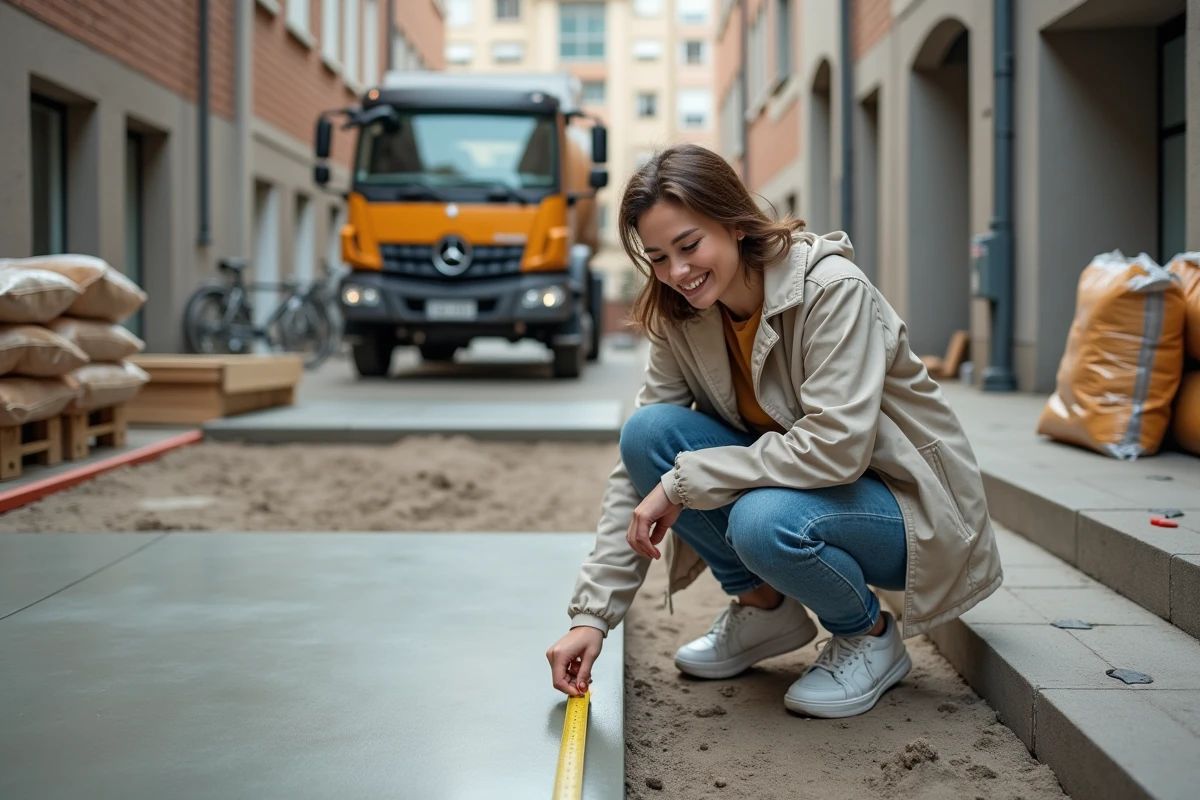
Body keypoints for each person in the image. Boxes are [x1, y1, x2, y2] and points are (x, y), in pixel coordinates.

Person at [545, 143, 1003, 719]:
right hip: (809, 494)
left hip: (905, 510)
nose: (677, 273)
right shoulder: (679, 314)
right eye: (658, 257)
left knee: (760, 520)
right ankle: (763, 609)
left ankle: (868, 635)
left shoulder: (833, 290)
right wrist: (592, 616)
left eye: (689, 246)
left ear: (736, 224)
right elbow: (636, 474)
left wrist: (686, 482)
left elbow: (837, 449)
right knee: (647, 434)